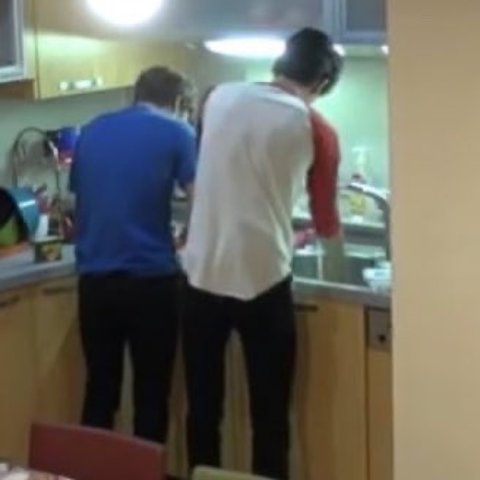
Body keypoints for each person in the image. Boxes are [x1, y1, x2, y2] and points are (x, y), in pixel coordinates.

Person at [181, 28, 344, 479]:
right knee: (269, 418)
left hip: (201, 275)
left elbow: (221, 173)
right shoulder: (318, 130)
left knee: (203, 410)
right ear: (322, 83)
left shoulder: (217, 97)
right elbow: (326, 222)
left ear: (280, 64)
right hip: (265, 282)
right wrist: (301, 234)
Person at [70, 66, 196, 443]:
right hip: (150, 281)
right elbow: (201, 200)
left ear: (136, 94)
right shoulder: (178, 131)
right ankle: (145, 470)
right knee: (151, 396)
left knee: (99, 389)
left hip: (95, 281)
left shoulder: (92, 130)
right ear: (178, 101)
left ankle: (88, 469)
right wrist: (186, 240)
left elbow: (84, 195)